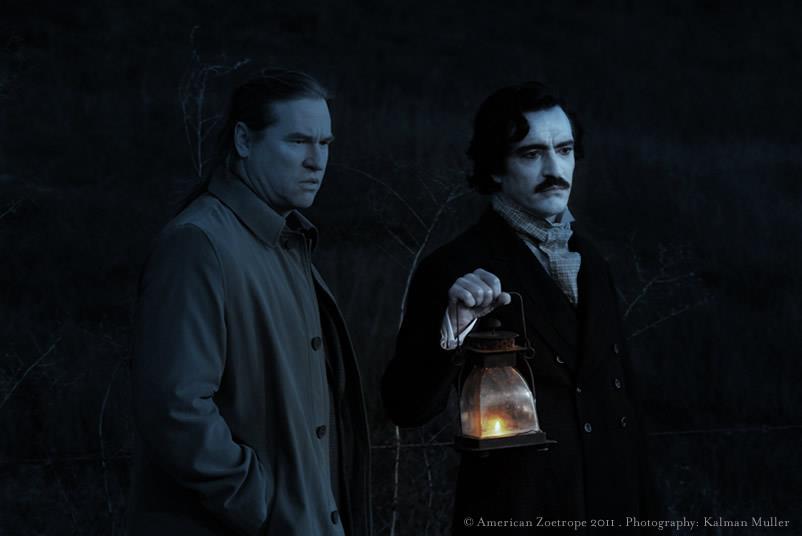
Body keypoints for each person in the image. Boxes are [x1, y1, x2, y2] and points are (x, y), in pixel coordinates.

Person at [382, 82, 653, 533]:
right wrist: (452, 329)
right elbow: (405, 406)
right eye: (531, 154)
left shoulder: (592, 261)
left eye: (564, 150)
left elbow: (628, 411)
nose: (555, 170)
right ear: (494, 168)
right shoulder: (454, 267)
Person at [129, 70, 371, 536]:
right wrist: (261, 503)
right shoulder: (198, 243)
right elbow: (174, 408)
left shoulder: (286, 242)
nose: (316, 161)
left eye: (325, 143)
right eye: (298, 141)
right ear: (243, 140)